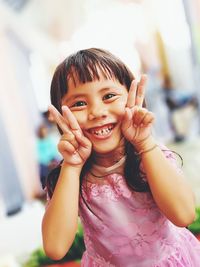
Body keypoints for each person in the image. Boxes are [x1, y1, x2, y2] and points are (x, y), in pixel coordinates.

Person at [42, 48, 200, 266]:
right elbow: (55, 247)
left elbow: (184, 216)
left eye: (109, 96)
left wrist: (145, 145)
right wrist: (72, 165)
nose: (97, 112)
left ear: (132, 98)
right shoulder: (68, 176)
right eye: (79, 103)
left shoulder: (152, 155)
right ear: (61, 115)